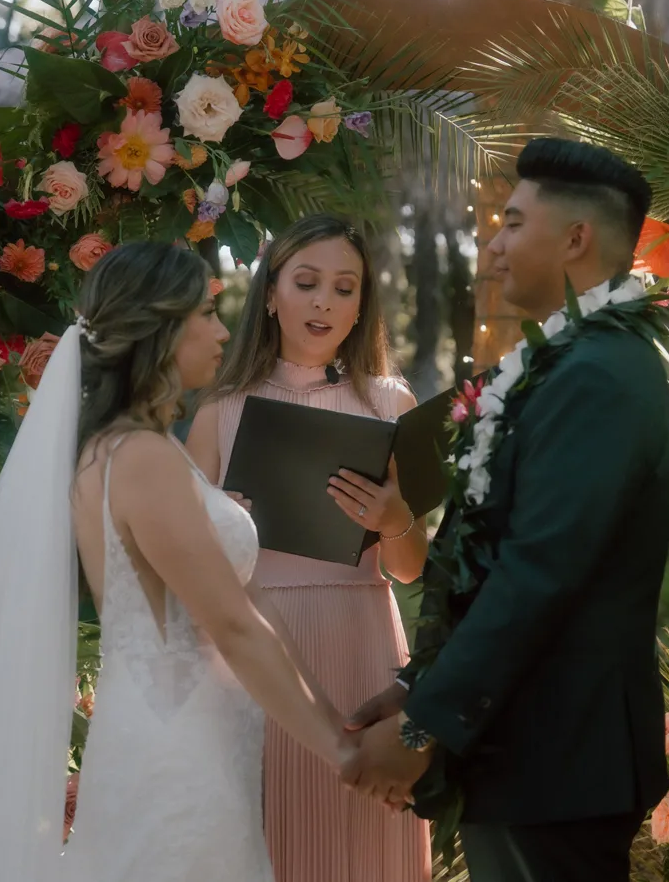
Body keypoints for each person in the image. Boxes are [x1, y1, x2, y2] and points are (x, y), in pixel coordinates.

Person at [0, 241, 355, 882]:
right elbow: (234, 625)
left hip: (177, 735)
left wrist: (338, 725)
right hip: (177, 755)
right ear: (159, 328)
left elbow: (245, 609)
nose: (221, 331)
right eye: (206, 315)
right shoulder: (142, 458)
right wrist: (345, 753)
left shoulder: (133, 449)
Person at [344, 138, 669, 882]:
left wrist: (423, 726)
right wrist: (417, 686)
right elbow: (488, 558)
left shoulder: (600, 376)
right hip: (526, 749)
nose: (493, 245)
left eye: (514, 224)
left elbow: (540, 571)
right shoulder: (566, 364)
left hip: (559, 755)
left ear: (576, 238)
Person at [187, 213, 432, 882]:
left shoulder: (391, 404)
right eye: (306, 282)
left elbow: (411, 569)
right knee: (266, 833)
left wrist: (393, 518)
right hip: (255, 648)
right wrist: (223, 526)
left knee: (364, 838)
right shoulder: (222, 407)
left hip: (363, 640)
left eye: (344, 287)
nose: (324, 301)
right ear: (270, 294)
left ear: (360, 306)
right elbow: (184, 565)